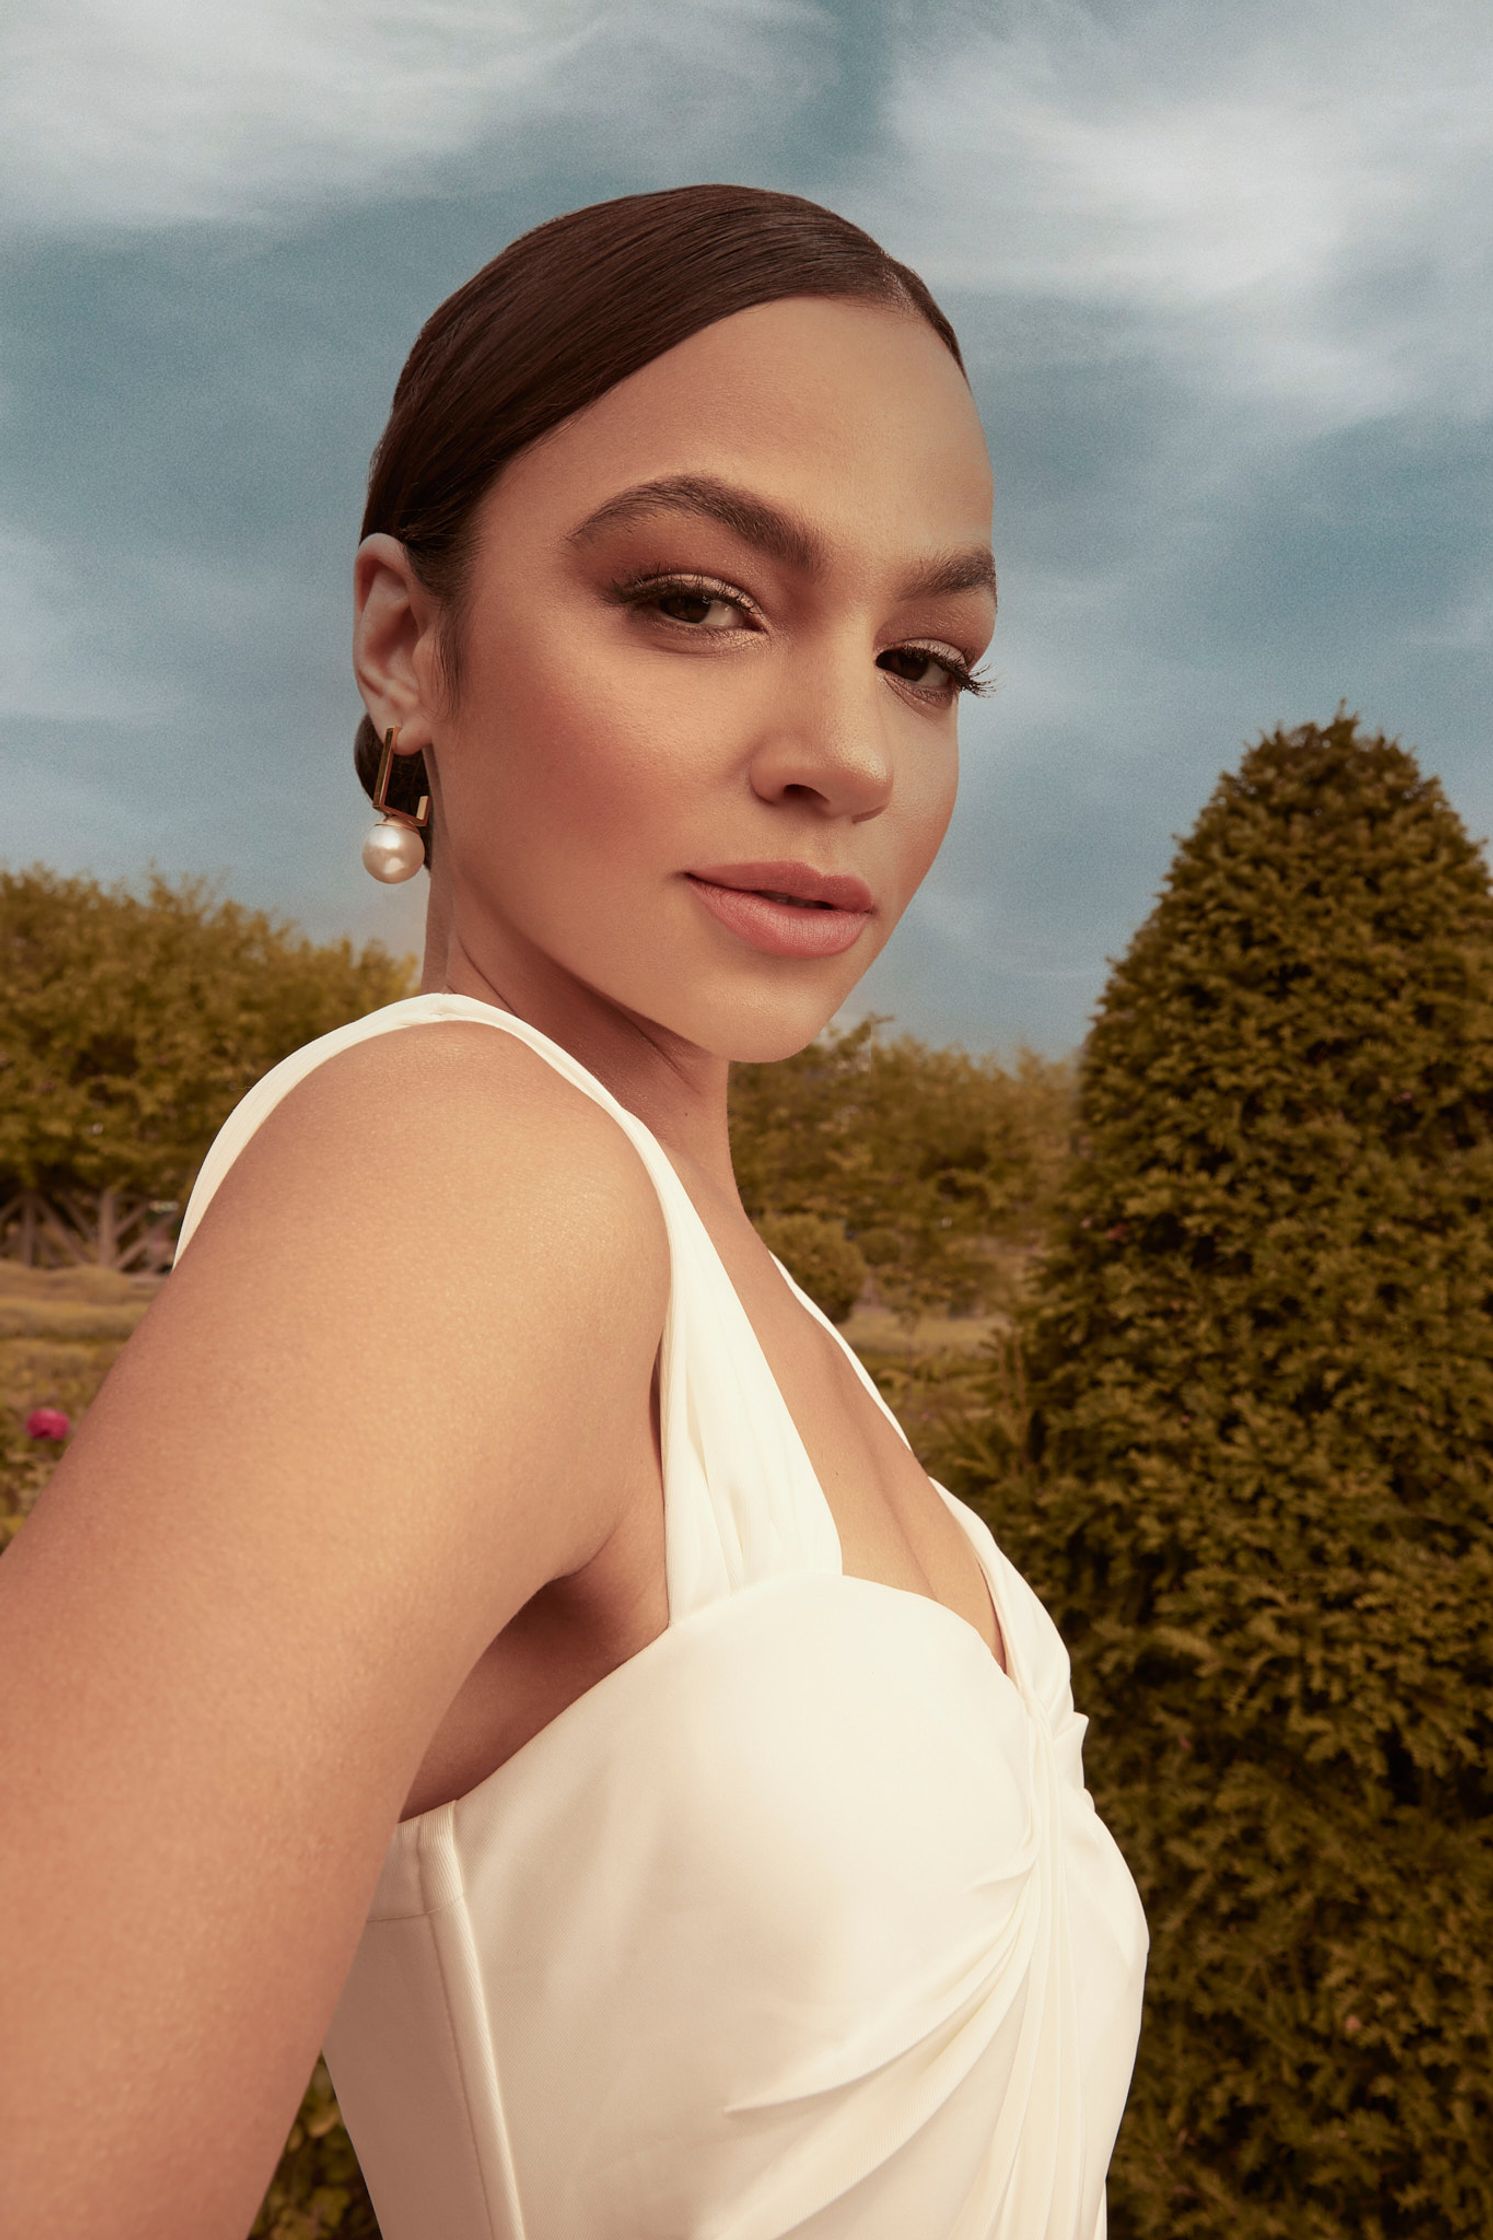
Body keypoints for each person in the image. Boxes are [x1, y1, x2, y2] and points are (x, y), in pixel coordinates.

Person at [0, 183, 1147, 2239]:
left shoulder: (769, 1324)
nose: (847, 757)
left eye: (926, 658)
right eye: (699, 599)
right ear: (406, 641)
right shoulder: (466, 1177)